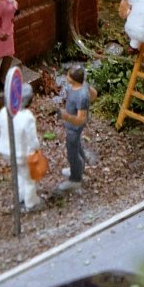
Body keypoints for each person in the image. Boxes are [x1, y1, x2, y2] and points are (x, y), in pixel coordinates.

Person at [0, 80, 41, 211]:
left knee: (19, 173)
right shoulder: (28, 117)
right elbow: (32, 139)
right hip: (21, 153)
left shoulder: (5, 111)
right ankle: (30, 202)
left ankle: (20, 195)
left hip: (5, 151)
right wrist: (36, 148)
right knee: (29, 178)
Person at [58, 64, 92, 192]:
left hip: (74, 128)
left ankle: (75, 179)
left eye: (68, 75)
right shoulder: (83, 86)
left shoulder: (81, 96)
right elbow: (94, 93)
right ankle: (79, 169)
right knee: (77, 146)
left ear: (74, 79)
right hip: (72, 127)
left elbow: (81, 119)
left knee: (72, 154)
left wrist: (65, 116)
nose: (66, 77)